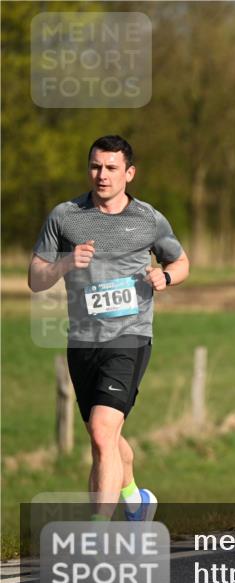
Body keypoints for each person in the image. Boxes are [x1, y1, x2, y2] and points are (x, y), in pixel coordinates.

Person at [28, 135, 189, 521]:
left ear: (129, 173)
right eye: (96, 166)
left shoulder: (148, 219)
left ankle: (99, 530)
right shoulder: (64, 216)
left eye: (112, 168)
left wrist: (165, 278)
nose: (102, 175)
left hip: (130, 336)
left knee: (102, 431)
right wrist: (64, 263)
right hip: (83, 340)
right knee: (106, 438)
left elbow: (181, 263)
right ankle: (136, 499)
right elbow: (35, 278)